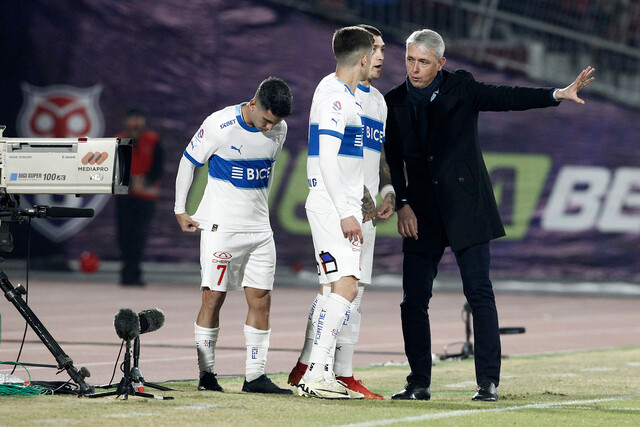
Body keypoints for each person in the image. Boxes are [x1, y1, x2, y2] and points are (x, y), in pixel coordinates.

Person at [384, 29, 595, 402]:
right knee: (412, 299)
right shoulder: (394, 102)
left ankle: (488, 383)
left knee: (479, 293)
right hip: (421, 214)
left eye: (424, 62)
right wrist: (402, 203)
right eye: (410, 60)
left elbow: (506, 97)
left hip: (467, 207)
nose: (415, 69)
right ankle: (418, 382)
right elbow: (394, 161)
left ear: (441, 63)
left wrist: (556, 95)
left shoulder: (461, 87)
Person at [287, 24, 394, 400]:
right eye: (376, 51)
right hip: (336, 208)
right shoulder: (335, 95)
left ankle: (318, 370)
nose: (381, 58)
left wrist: (378, 193)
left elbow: (358, 160)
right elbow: (327, 159)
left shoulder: (352, 97)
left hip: (347, 207)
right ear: (363, 58)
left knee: (345, 288)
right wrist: (346, 211)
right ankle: (317, 371)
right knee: (343, 287)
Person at [174, 77, 293, 395]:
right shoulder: (219, 125)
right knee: (213, 297)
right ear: (254, 104)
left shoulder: (279, 130)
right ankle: (207, 375)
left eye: (276, 123)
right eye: (267, 120)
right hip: (220, 230)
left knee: (261, 300)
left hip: (260, 231)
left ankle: (254, 377)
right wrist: (180, 209)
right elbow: (189, 162)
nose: (270, 128)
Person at [115, 107, 164, 286]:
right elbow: (114, 167)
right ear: (126, 121)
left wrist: (146, 183)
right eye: (132, 119)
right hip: (125, 196)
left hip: (146, 197)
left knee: (140, 236)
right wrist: (129, 183)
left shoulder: (153, 140)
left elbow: (158, 166)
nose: (135, 123)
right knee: (124, 235)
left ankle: (134, 272)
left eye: (138, 119)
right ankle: (127, 272)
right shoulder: (119, 140)